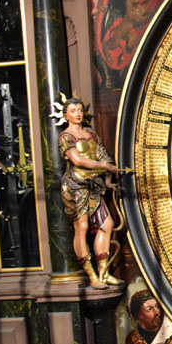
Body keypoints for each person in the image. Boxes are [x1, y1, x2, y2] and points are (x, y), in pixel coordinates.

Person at [56, 96, 122, 288]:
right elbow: (77, 160)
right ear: (66, 115)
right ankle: (91, 275)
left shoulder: (91, 134)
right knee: (82, 227)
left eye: (80, 110)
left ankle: (103, 272)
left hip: (94, 185)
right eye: (73, 111)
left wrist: (108, 180)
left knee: (107, 224)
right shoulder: (65, 136)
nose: (77, 114)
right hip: (75, 186)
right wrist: (103, 166)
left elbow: (103, 156)